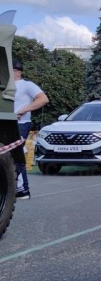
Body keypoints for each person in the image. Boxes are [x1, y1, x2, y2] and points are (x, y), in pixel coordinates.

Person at [12, 59, 49, 200]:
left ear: (18, 72)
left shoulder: (27, 85)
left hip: (21, 124)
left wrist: (22, 110)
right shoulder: (5, 87)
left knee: (16, 153)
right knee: (9, 154)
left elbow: (43, 99)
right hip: (8, 123)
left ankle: (22, 189)